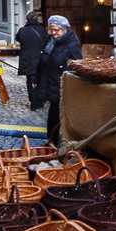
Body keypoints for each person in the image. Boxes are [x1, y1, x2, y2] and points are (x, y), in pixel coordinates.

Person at [37, 15, 82, 144]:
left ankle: (65, 142)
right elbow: (44, 64)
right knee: (53, 116)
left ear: (64, 29)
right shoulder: (49, 42)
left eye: (57, 30)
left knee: (61, 116)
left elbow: (78, 65)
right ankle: (52, 142)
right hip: (51, 84)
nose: (54, 33)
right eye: (52, 30)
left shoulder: (72, 44)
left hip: (64, 85)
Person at [15, 10, 48, 111]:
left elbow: (18, 39)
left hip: (28, 60)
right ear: (36, 19)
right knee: (40, 79)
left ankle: (34, 102)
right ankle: (40, 101)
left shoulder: (22, 31)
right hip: (41, 59)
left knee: (31, 81)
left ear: (26, 19)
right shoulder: (43, 30)